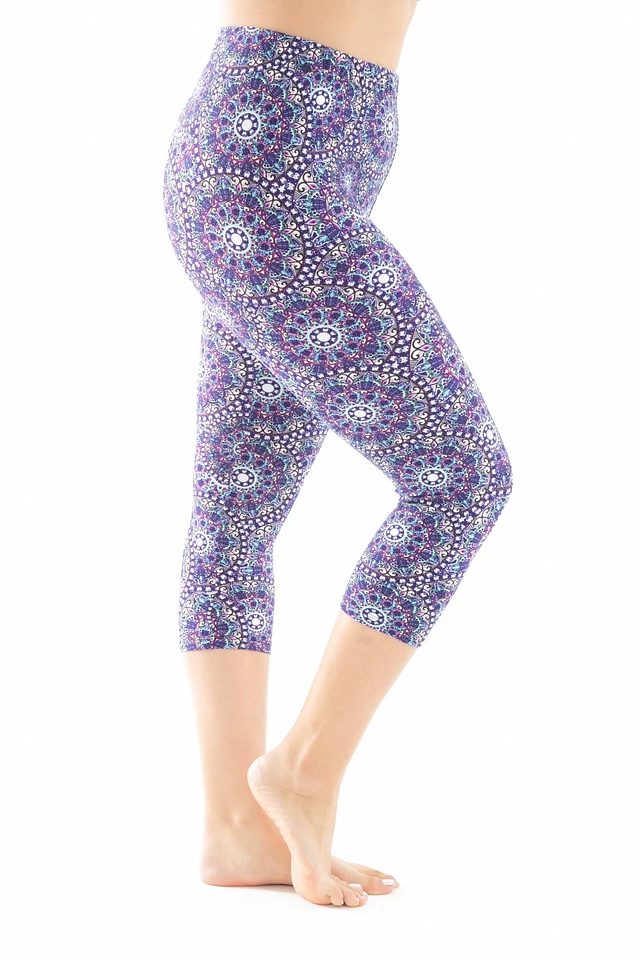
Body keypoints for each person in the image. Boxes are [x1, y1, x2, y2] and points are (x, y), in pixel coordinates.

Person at [162, 0, 514, 908]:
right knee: (461, 477)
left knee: (236, 516)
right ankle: (304, 773)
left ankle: (236, 830)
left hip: (266, 151)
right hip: (274, 163)